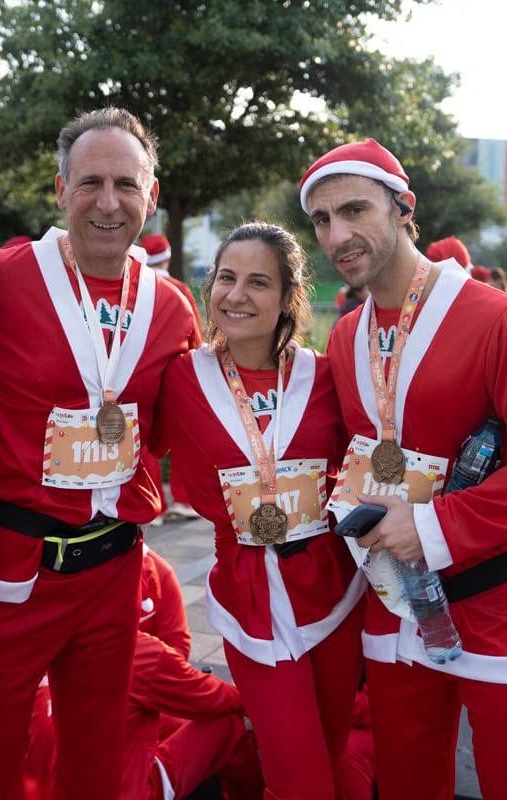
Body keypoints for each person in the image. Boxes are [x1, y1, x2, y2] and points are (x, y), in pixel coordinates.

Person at [301, 139, 507, 799]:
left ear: (404, 210)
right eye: (320, 220)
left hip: (499, 595)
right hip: (395, 600)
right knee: (406, 780)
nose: (337, 235)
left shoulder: (500, 318)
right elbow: (355, 455)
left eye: (354, 210)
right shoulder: (347, 336)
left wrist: (431, 526)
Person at [0, 108, 201, 800]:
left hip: (115, 568)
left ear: (150, 196)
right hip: (9, 568)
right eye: (91, 182)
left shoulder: (173, 305)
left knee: (94, 766)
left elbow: (199, 422)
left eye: (126, 184)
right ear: (60, 190)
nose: (109, 202)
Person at [153, 221, 367, 797]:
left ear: (287, 297)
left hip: (335, 594)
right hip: (250, 603)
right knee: (300, 779)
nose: (237, 295)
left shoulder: (328, 376)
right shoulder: (178, 378)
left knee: (329, 753)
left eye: (257, 281)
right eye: (226, 278)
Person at [22, 546, 265, 800]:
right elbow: (215, 697)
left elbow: (177, 647)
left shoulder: (26, 642)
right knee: (230, 725)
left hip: (41, 786)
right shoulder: (137, 651)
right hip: (127, 788)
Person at [139, 232, 202, 521]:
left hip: (138, 373)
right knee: (181, 440)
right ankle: (183, 499)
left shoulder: (132, 283)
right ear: (167, 256)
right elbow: (194, 334)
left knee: (141, 438)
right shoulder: (177, 288)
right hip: (175, 374)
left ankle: (151, 504)